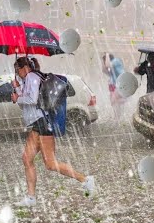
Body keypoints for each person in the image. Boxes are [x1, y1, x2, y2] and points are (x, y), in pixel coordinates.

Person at [11, 56, 95, 207]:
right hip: (38, 124)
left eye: (18, 70)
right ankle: (31, 198)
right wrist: (17, 89)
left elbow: (31, 100)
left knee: (50, 164)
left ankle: (85, 179)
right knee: (26, 158)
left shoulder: (32, 77)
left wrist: (18, 98)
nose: (17, 73)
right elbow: (27, 104)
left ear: (24, 68)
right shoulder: (30, 79)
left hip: (42, 124)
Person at [101, 52, 126, 118]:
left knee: (115, 102)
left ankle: (119, 117)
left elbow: (107, 65)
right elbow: (104, 70)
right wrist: (103, 60)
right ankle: (117, 116)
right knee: (114, 103)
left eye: (105, 60)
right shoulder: (112, 68)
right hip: (115, 87)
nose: (104, 62)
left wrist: (106, 54)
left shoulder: (116, 61)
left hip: (120, 86)